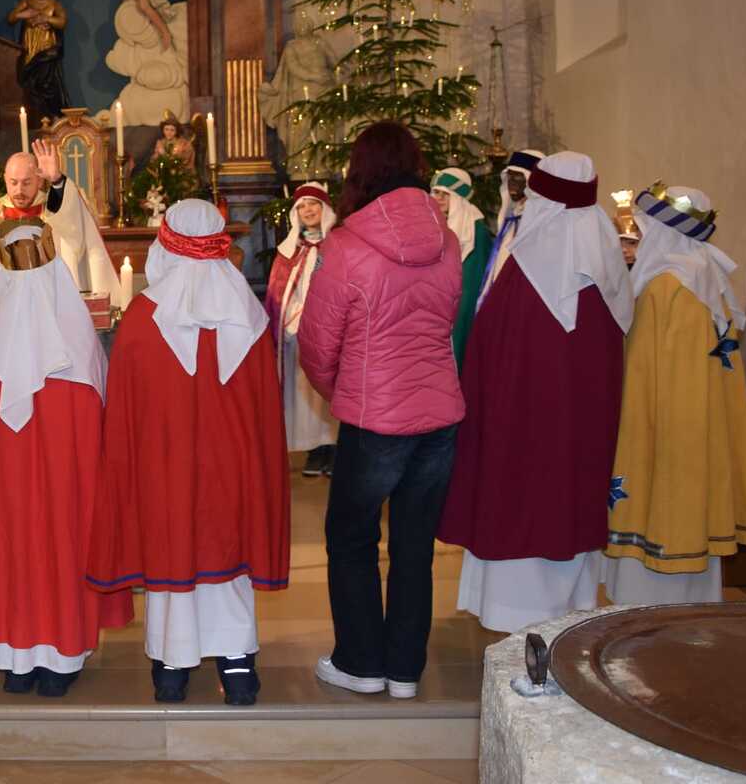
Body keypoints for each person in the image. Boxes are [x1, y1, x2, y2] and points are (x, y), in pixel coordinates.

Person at [87, 199, 289, 707]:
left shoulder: (143, 318)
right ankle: (237, 668)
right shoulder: (247, 315)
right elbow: (265, 410)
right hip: (231, 468)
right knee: (229, 558)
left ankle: (172, 669)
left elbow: (125, 414)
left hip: (166, 468)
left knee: (171, 552)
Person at [297, 123, 464, 700]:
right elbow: (444, 320)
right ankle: (405, 671)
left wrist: (343, 390)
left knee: (351, 538)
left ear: (360, 171)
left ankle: (362, 663)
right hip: (439, 415)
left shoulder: (346, 246)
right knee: (415, 546)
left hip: (375, 418)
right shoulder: (448, 241)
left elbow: (318, 345)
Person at [438, 152, 634, 634]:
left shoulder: (528, 266)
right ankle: (572, 603)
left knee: (522, 495)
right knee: (570, 491)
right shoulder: (606, 261)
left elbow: (491, 343)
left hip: (521, 424)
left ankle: (515, 611)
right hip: (580, 422)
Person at [0, 217, 133, 697]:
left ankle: (16, 661)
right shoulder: (76, 338)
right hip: (63, 484)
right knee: (62, 541)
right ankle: (62, 656)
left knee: (11, 544)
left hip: (5, 486)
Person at [604, 184, 746, 604]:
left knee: (663, 505)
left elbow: (642, 369)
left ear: (664, 231)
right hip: (699, 424)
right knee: (693, 504)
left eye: (645, 229)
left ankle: (645, 605)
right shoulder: (706, 276)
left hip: (664, 427)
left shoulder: (666, 286)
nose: (639, 237)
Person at [0, 136, 120, 311]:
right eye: (13, 182)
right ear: (5, 179)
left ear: (39, 180)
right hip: (4, 306)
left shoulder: (52, 208)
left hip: (49, 303)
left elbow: (71, 219)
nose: (19, 190)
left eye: (27, 182)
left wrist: (57, 181)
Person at [265, 182, 340, 476]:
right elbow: (279, 294)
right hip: (298, 332)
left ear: (325, 208)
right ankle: (314, 450)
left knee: (330, 391)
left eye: (313, 204)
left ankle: (335, 448)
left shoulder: (339, 246)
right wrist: (293, 321)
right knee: (305, 394)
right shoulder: (288, 252)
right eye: (302, 206)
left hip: (332, 333)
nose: (308, 210)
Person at [431, 168, 492, 369]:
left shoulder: (475, 230)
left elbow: (475, 277)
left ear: (458, 197)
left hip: (461, 299)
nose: (439, 198)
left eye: (445, 194)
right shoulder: (433, 222)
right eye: (436, 192)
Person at [475, 149, 544, 309]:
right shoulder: (512, 217)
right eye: (510, 177)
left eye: (518, 177)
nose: (511, 182)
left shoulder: (538, 221)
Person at [7, 0, 69, 118]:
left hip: (47, 44)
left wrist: (47, 18)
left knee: (46, 79)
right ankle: (34, 113)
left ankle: (49, 113)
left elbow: (62, 22)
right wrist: (23, 14)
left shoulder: (54, 4)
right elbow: (11, 18)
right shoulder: (27, 1)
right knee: (29, 78)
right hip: (30, 43)